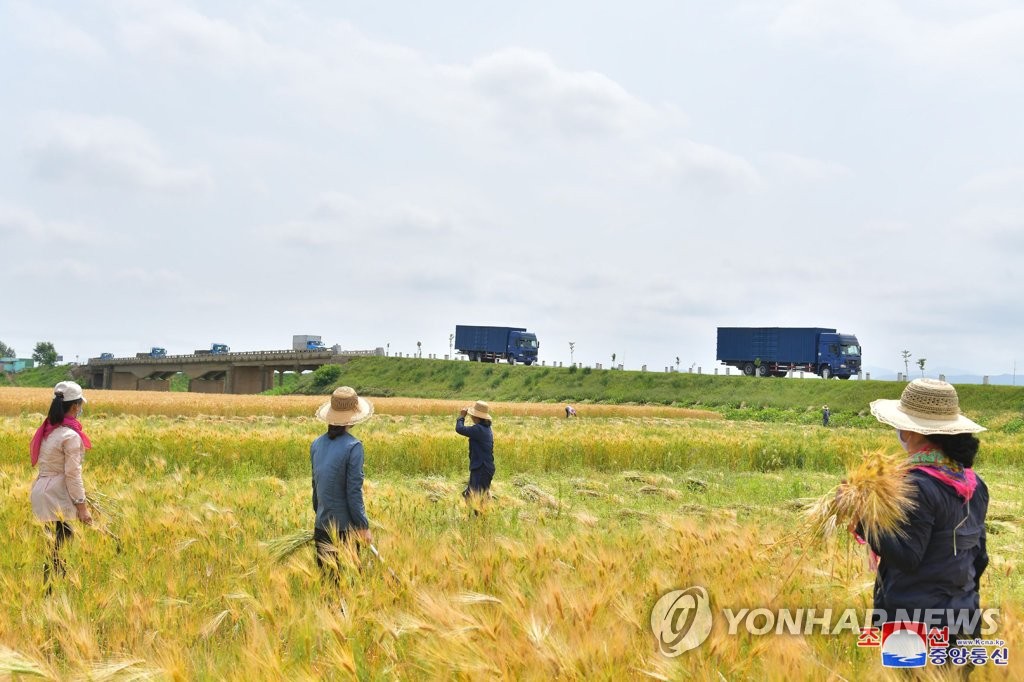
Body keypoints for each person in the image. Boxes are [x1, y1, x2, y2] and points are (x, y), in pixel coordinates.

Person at [861, 379, 989, 649]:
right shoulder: (974, 484)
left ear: (913, 432)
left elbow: (907, 557)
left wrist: (864, 520)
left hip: (913, 628)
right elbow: (979, 557)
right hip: (963, 621)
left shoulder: (915, 486)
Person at [30, 381, 93, 593]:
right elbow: (72, 474)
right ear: (75, 407)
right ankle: (55, 596)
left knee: (52, 550)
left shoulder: (49, 430)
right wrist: (82, 507)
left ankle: (50, 594)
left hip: (41, 493)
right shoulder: (70, 436)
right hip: (58, 496)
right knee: (61, 549)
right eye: (80, 406)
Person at [311, 386, 374, 585]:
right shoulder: (354, 447)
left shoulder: (316, 444)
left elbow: (316, 488)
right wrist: (363, 526)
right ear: (352, 417)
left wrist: (321, 515)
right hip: (345, 530)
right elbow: (353, 492)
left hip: (322, 526)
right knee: (349, 586)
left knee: (328, 586)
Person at [456, 400, 495, 510]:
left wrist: (461, 416)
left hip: (482, 468)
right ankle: (481, 519)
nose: (472, 417)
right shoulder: (485, 428)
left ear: (477, 417)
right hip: (483, 467)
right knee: (476, 496)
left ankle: (480, 520)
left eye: (473, 415)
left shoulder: (479, 429)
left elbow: (460, 429)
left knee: (474, 498)